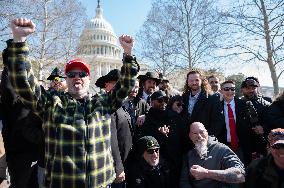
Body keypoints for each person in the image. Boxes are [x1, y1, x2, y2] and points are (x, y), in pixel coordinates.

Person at [4, 18, 139, 187]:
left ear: (89, 79)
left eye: (82, 74)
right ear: (66, 79)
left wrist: (127, 53)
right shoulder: (51, 104)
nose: (77, 77)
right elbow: (24, 84)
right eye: (72, 74)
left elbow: (126, 85)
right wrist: (19, 41)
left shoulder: (103, 104)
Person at [1, 52, 44, 188]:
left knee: (31, 181)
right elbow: (11, 96)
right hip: (20, 145)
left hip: (31, 145)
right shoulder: (9, 74)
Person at [180, 122, 245, 188]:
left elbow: (240, 176)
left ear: (207, 133)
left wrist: (206, 173)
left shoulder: (221, 149)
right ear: (190, 136)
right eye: (195, 133)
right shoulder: (189, 155)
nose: (199, 136)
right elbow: (184, 182)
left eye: (202, 132)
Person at [140, 91, 184, 187]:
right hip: (155, 166)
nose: (163, 103)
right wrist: (160, 135)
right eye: (160, 100)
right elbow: (144, 142)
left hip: (175, 164)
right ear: (151, 103)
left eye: (166, 100)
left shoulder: (175, 117)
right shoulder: (147, 120)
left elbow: (182, 139)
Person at [182, 70, 224, 140]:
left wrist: (208, 137)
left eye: (197, 80)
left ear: (201, 81)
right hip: (186, 140)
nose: (194, 83)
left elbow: (218, 121)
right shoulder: (184, 98)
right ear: (187, 82)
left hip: (204, 140)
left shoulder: (212, 98)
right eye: (191, 80)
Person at [219, 80, 252, 166]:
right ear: (221, 91)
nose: (230, 91)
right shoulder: (217, 106)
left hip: (242, 147)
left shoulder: (245, 105)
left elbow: (251, 125)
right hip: (224, 147)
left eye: (232, 89)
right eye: (226, 89)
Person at [240, 77, 271, 157]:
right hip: (243, 146)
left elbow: (273, 122)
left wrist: (263, 128)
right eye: (248, 88)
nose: (251, 90)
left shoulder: (266, 104)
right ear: (242, 89)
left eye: (253, 88)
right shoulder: (237, 104)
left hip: (262, 145)